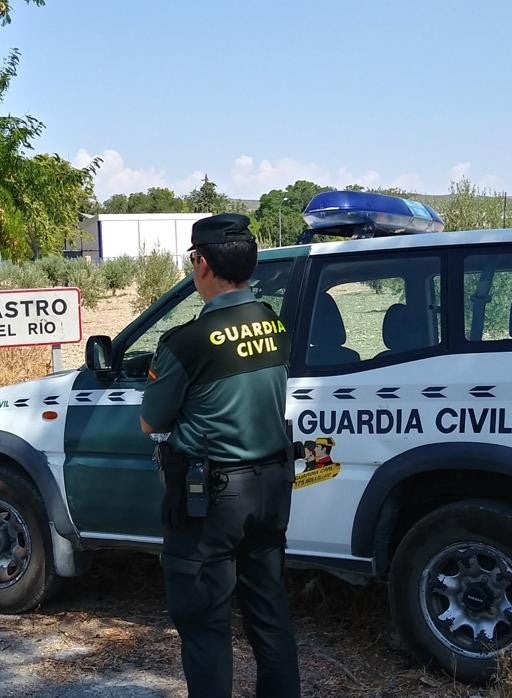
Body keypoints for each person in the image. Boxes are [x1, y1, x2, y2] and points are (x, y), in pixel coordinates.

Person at [140, 213, 301, 697]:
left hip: (211, 501)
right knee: (270, 615)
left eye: (193, 260)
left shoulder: (187, 342)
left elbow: (152, 421)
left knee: (206, 624)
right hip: (272, 488)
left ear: (203, 264)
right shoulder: (274, 325)